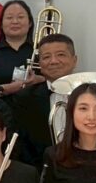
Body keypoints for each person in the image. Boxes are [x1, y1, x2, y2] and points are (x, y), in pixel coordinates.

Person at [11, 33, 80, 167]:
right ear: (40, 64)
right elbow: (22, 146)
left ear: (74, 60)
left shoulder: (91, 95)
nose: (53, 61)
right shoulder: (24, 99)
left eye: (61, 55)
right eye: (46, 57)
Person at [0, 0, 40, 95]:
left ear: (30, 23)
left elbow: (55, 78)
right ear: (1, 24)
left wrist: (40, 79)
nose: (15, 21)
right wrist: (2, 89)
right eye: (9, 18)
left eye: (20, 17)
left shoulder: (42, 50)